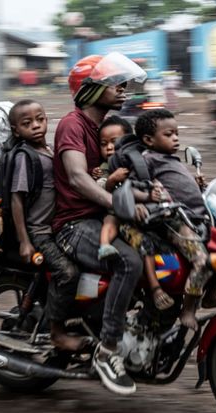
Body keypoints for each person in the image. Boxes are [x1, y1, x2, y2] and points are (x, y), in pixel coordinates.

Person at [52, 53, 148, 395]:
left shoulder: (110, 128)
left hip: (97, 218)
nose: (122, 89)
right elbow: (78, 179)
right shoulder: (72, 125)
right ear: (90, 89)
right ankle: (108, 350)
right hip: (73, 225)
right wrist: (118, 204)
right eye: (114, 83)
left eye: (123, 83)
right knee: (128, 261)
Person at [6, 99, 87, 352]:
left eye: (40, 119)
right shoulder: (25, 157)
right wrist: (25, 241)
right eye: (27, 123)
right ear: (16, 130)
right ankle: (57, 333)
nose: (36, 126)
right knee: (68, 273)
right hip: (39, 232)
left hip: (57, 227)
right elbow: (16, 199)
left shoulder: (50, 151)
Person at [134, 109, 212, 331]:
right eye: (169, 134)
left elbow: (178, 186)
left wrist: (198, 186)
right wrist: (145, 197)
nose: (176, 138)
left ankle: (211, 294)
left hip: (195, 216)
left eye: (177, 133)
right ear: (149, 140)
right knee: (203, 261)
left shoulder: (170, 159)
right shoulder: (146, 161)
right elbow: (139, 187)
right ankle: (188, 309)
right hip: (174, 222)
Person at [92, 115, 175, 311]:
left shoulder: (141, 164)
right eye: (104, 144)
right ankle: (155, 289)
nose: (109, 148)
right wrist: (112, 179)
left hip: (146, 217)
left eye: (115, 142)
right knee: (143, 244)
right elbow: (101, 190)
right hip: (121, 218)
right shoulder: (104, 169)